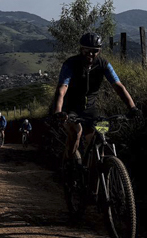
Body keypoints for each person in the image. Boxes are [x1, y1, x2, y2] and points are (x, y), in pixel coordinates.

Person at [53, 32, 141, 163]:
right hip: (70, 108)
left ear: (99, 51)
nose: (90, 54)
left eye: (94, 51)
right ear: (81, 49)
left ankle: (96, 173)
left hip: (91, 108)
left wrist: (132, 108)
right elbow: (62, 89)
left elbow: (118, 86)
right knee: (76, 132)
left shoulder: (103, 64)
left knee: (101, 135)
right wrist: (58, 112)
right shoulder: (71, 63)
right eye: (86, 51)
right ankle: (69, 166)